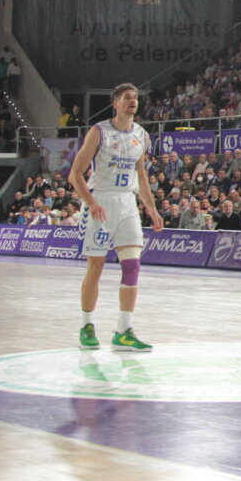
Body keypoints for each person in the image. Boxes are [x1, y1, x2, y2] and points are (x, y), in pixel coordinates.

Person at [68, 83, 163, 352]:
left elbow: (142, 177)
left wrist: (152, 210)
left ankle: (123, 331)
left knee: (132, 266)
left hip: (127, 202)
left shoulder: (142, 136)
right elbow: (75, 175)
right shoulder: (99, 132)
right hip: (101, 200)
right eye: (127, 97)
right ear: (116, 103)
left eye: (135, 97)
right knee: (95, 267)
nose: (133, 101)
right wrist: (91, 202)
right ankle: (87, 325)